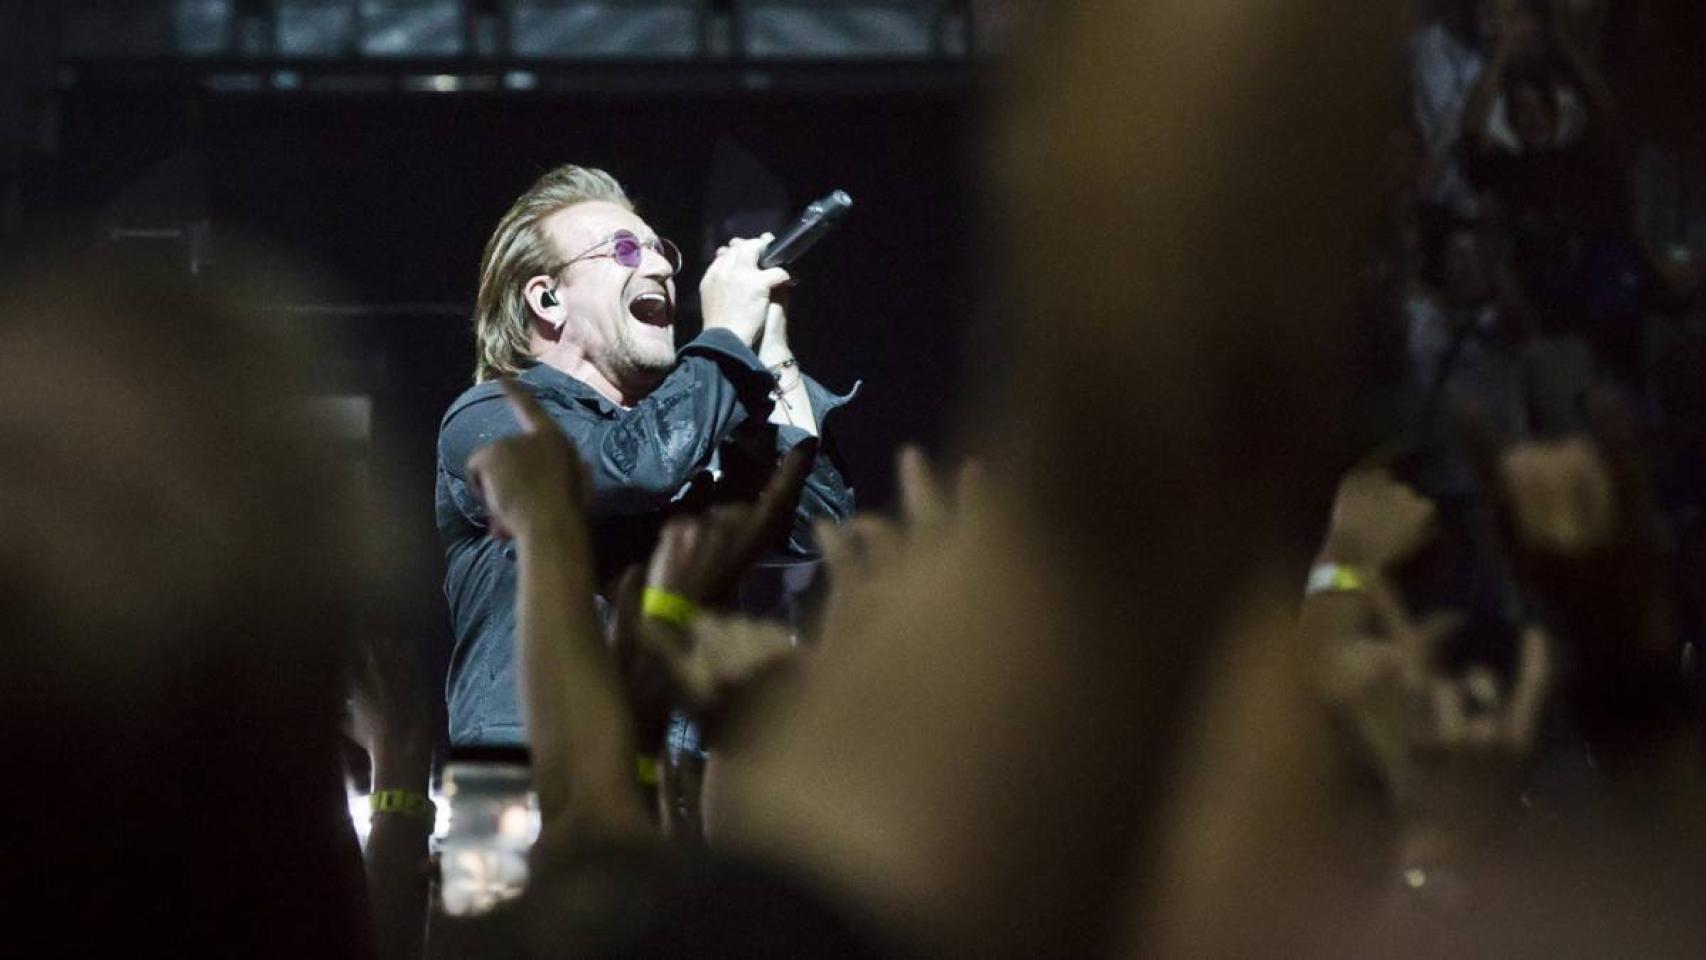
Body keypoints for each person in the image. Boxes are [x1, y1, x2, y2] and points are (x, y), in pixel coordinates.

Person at [436, 165, 855, 747]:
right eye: (625, 251)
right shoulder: (489, 419)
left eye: (660, 251)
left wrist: (773, 351)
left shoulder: (689, 424)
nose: (659, 266)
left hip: (665, 784)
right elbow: (634, 469)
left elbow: (812, 525)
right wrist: (727, 334)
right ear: (548, 297)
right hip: (534, 783)